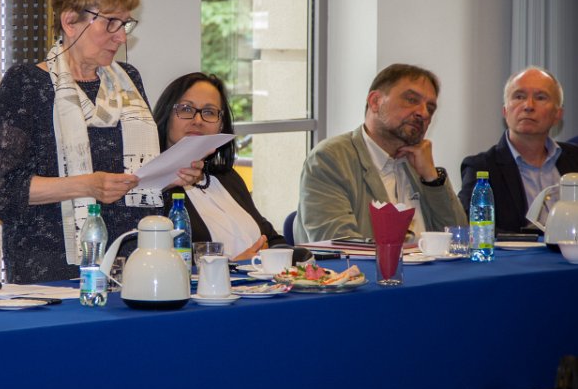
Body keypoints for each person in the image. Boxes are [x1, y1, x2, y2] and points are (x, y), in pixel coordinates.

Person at [0, 0, 202, 284]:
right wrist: (86, 186)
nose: (121, 37)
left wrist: (169, 176)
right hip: (54, 273)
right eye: (111, 23)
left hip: (135, 263)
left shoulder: (128, 81)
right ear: (71, 21)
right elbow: (4, 192)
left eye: (125, 24)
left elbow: (136, 182)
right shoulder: (27, 85)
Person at [295, 63, 467, 243]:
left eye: (430, 108)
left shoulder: (418, 164)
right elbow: (339, 244)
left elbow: (460, 240)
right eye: (411, 100)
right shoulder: (330, 159)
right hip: (368, 263)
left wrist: (432, 179)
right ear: (375, 102)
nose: (423, 113)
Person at [153, 72, 307, 262]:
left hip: (261, 281)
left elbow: (270, 238)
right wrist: (232, 266)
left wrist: (279, 254)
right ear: (166, 116)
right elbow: (163, 264)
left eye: (209, 112)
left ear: (221, 125)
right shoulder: (155, 187)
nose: (198, 120)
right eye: (186, 109)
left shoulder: (226, 177)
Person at [459, 66, 578, 233]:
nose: (528, 106)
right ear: (505, 110)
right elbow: (473, 227)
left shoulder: (574, 159)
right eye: (519, 96)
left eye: (540, 97)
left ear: (558, 114)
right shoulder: (481, 167)